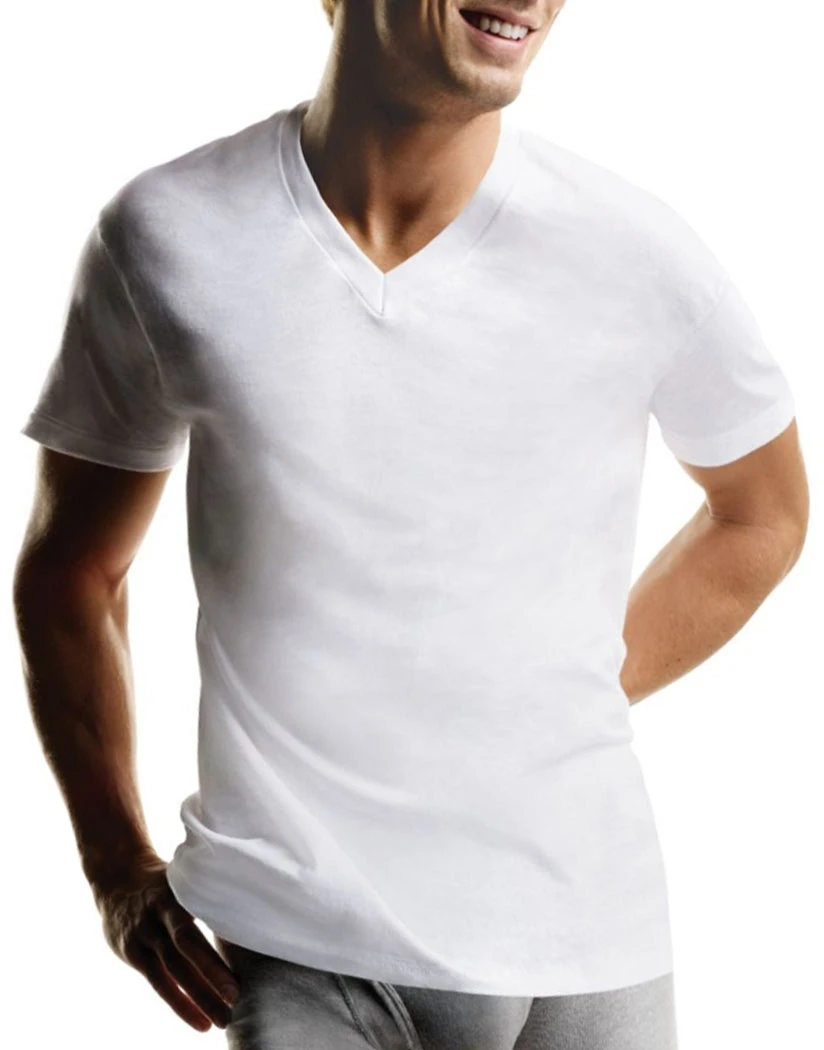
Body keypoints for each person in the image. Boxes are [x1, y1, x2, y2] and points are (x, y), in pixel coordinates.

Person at [13, 0, 809, 1047]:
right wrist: (115, 864)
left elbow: (763, 514)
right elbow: (73, 574)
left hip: (589, 939)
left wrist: (551, 685)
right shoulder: (171, 233)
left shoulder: (635, 252)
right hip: (304, 939)